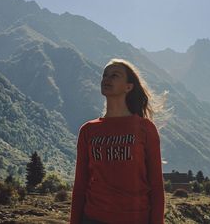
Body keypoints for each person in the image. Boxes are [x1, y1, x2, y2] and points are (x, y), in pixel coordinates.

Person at [70, 58, 169, 224]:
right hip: (94, 218)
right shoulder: (88, 130)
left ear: (128, 87)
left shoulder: (145, 129)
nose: (106, 79)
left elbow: (157, 187)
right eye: (104, 75)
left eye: (114, 75)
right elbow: (80, 185)